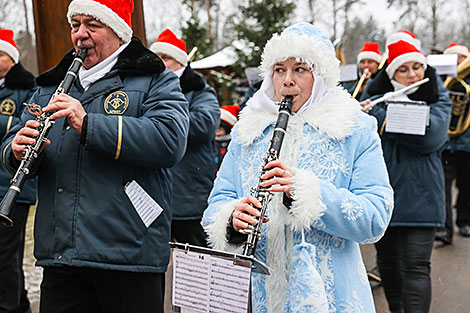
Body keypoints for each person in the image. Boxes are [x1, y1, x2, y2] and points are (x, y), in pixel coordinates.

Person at [0, 0, 189, 312]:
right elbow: (12, 140)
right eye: (75, 25)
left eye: (93, 25)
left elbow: (170, 140)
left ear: (117, 29)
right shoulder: (51, 86)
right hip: (62, 257)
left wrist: (89, 123)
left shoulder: (156, 78)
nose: (80, 35)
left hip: (128, 256)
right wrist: (16, 148)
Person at [202, 22, 394, 312]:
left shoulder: (354, 129)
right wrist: (231, 221)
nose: (287, 81)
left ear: (321, 75)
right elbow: (216, 205)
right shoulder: (249, 130)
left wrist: (308, 195)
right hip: (257, 295)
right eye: (280, 70)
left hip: (330, 298)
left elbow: (376, 217)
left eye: (300, 69)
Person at [360, 40, 452, 313]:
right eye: (404, 70)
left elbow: (431, 136)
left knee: (415, 267)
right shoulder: (375, 97)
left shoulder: (438, 95)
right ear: (391, 75)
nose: (413, 75)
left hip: (422, 194)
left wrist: (379, 117)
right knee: (388, 265)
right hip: (384, 194)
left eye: (417, 67)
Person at [150, 28, 220, 247]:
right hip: (155, 196)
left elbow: (206, 124)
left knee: (199, 264)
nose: (159, 62)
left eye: (166, 57)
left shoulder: (200, 90)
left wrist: (163, 123)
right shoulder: (149, 87)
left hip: (188, 194)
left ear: (180, 62)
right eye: (157, 57)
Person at [0, 28, 36, 313]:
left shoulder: (27, 87)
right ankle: (20, 305)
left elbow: (21, 127)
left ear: (11, 59)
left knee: (6, 256)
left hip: (15, 187)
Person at [435, 42, 470, 243]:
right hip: (445, 143)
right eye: (454, 58)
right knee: (443, 187)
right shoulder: (439, 80)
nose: (458, 62)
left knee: (467, 185)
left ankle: (465, 221)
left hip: (466, 142)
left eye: (461, 58)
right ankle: (444, 229)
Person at [215, 104, 240, 171]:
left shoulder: (234, 143)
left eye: (221, 127)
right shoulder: (209, 142)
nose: (217, 130)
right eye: (215, 127)